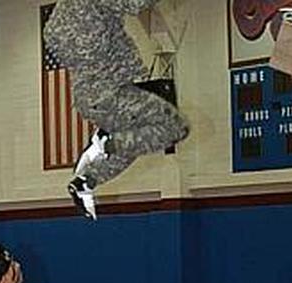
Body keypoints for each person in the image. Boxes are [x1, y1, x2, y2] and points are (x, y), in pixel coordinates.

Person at [44, 0, 189, 220]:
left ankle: (86, 180)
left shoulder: (58, 17)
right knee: (175, 127)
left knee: (134, 143)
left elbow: (53, 41)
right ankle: (104, 142)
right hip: (112, 91)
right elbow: (136, 4)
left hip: (90, 95)